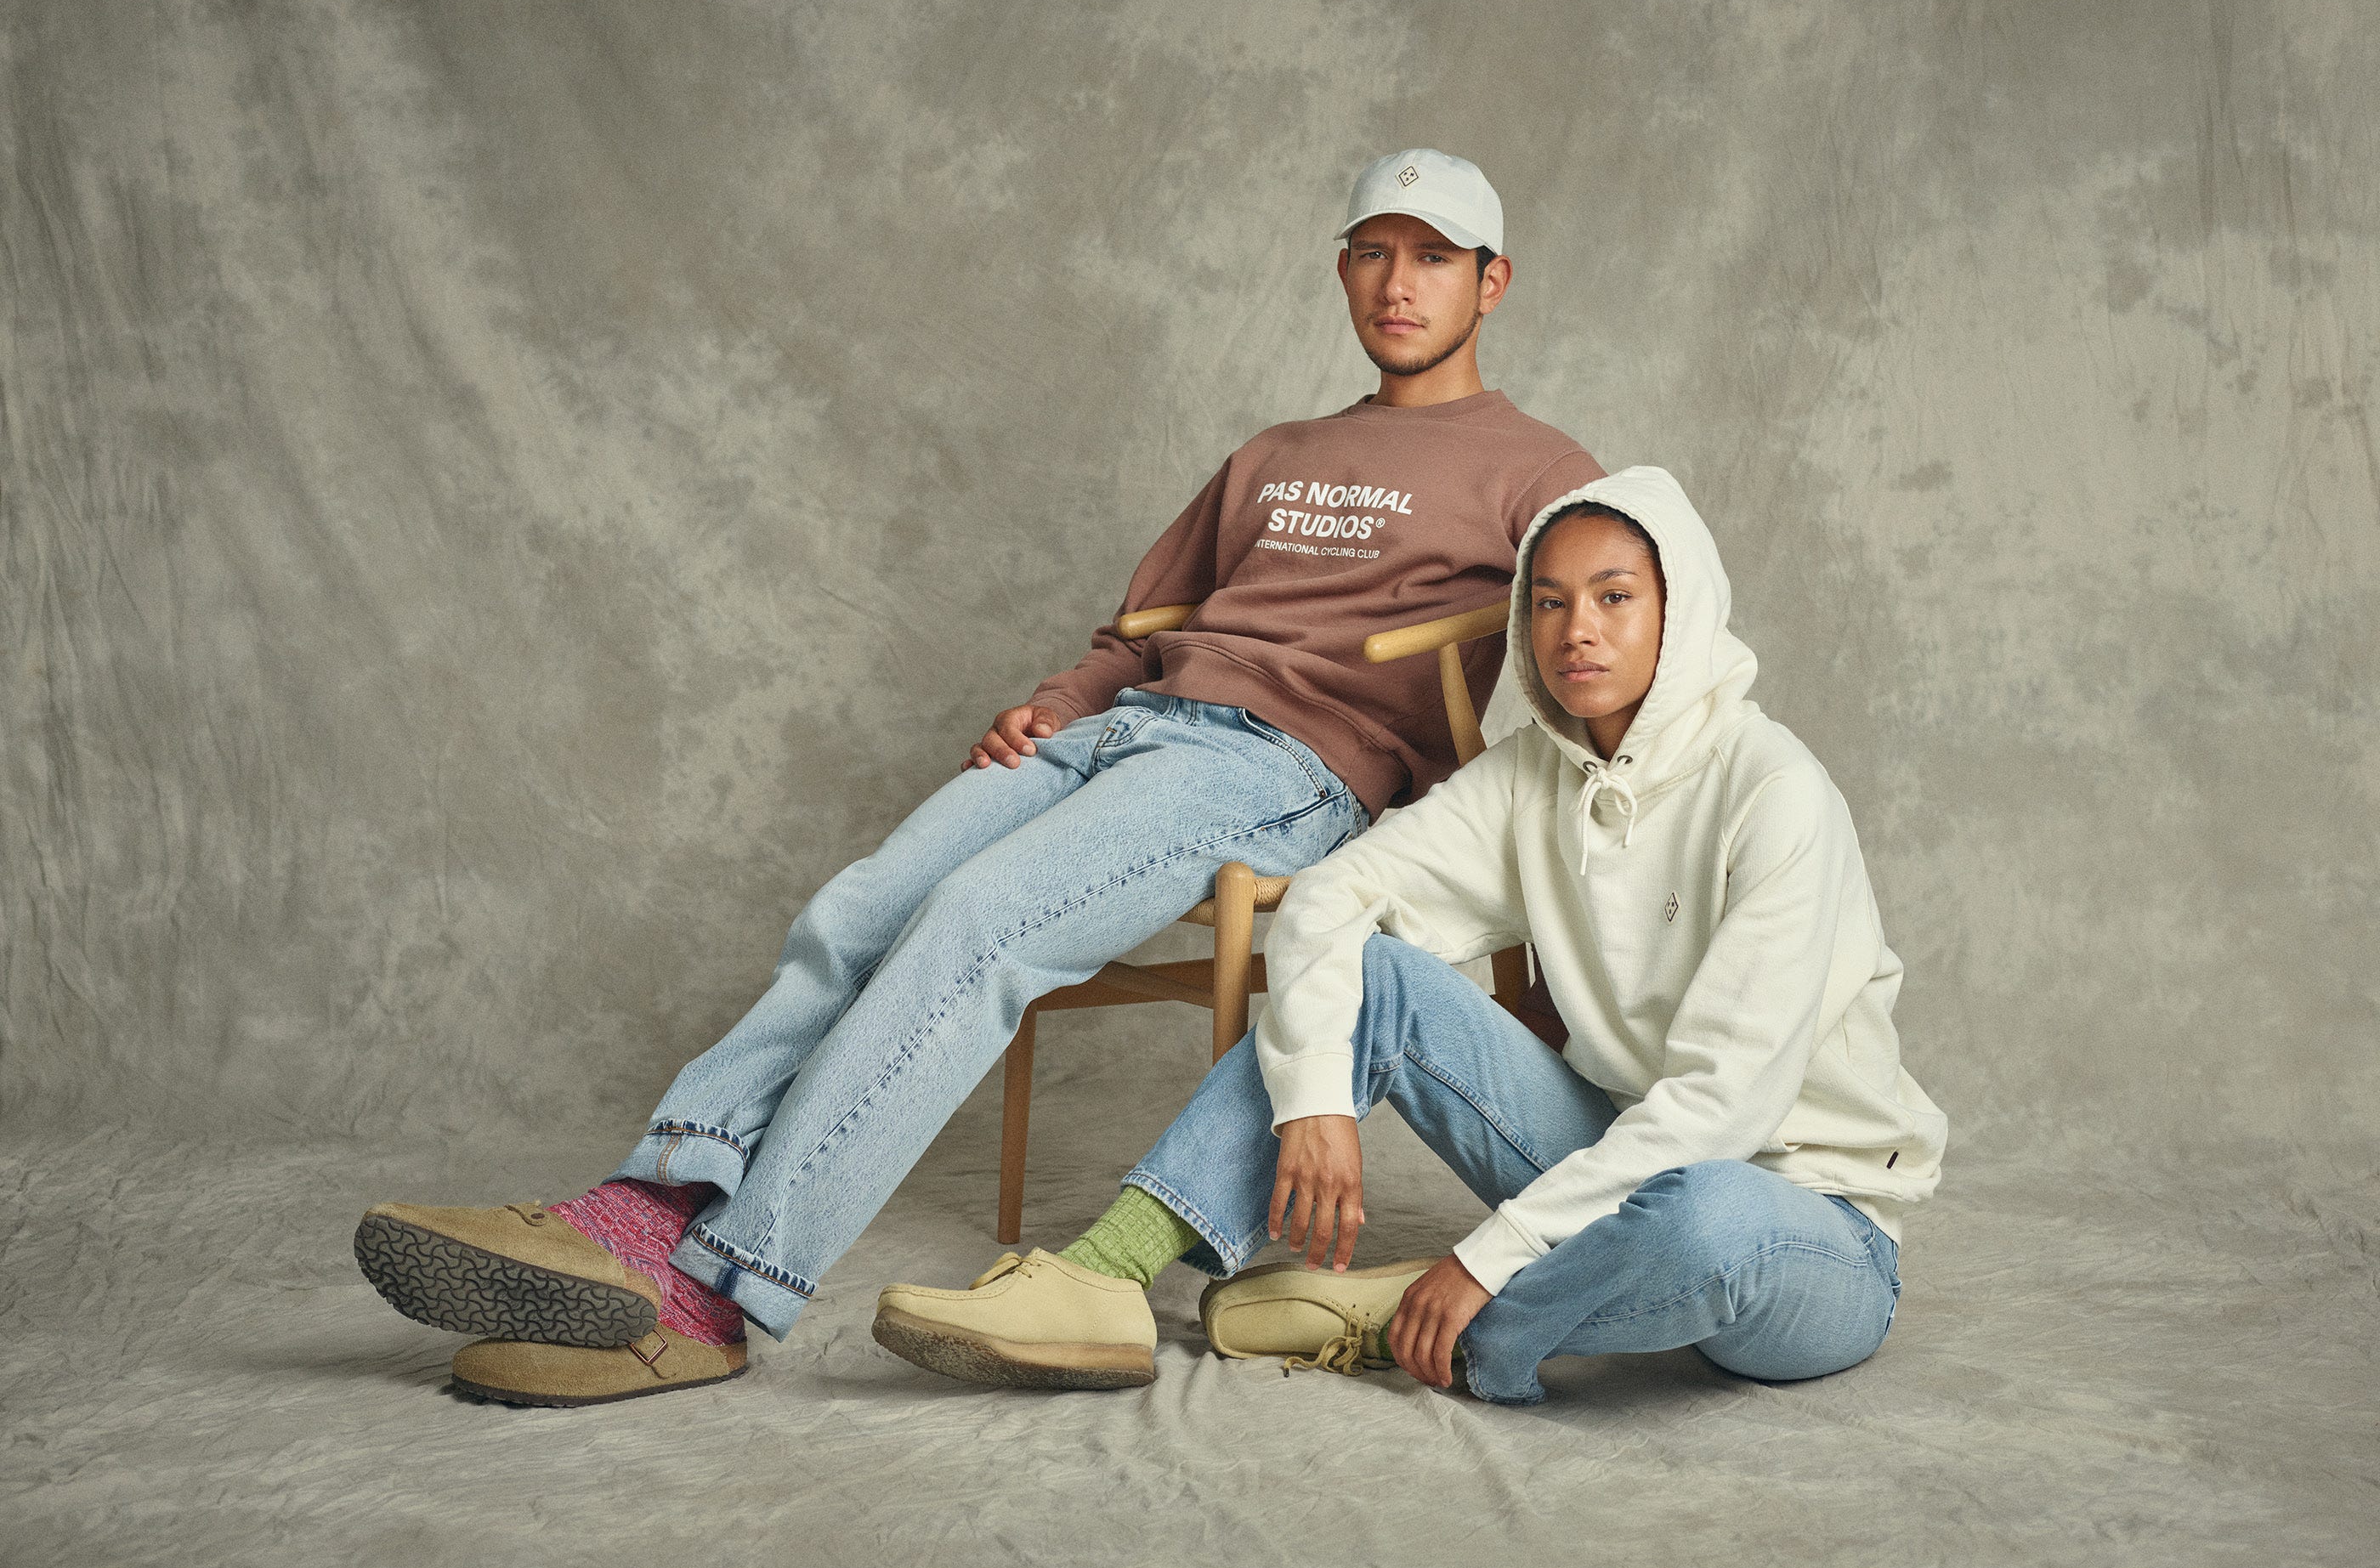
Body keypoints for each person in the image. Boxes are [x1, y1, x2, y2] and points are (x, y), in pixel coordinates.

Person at [354, 148, 1606, 1407]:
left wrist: (1556, 899)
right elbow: (1137, 630)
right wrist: (1059, 705)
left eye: (1433, 258)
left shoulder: (1541, 472)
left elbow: (1607, 641)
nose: (1399, 284)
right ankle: (644, 1206)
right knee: (860, 905)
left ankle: (717, 1292)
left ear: (1490, 282)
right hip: (1130, 728)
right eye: (1374, 253)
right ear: (1342, 270)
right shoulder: (1274, 453)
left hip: (1281, 767)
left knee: (980, 920)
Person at [872, 466, 1946, 1404]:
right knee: (1372, 975)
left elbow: (1721, 1109)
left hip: (1810, 1232)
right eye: (1550, 601)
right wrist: (1313, 1095)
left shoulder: (1774, 793)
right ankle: (1105, 1276)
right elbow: (1334, 897)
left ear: (1683, 610)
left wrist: (1485, 1256)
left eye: (1615, 597)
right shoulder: (1533, 777)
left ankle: (1429, 1322)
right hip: (1615, 1161)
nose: (1577, 629)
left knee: (1706, 1213)